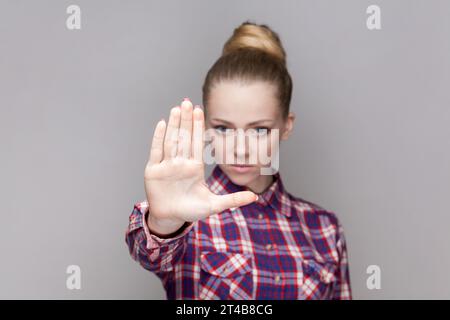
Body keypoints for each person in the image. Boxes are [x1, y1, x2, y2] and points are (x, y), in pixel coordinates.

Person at [125, 21, 352, 300]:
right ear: (206, 124)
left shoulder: (324, 229)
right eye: (223, 128)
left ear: (286, 125)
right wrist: (164, 222)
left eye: (259, 130)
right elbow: (150, 253)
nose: (240, 150)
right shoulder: (188, 219)